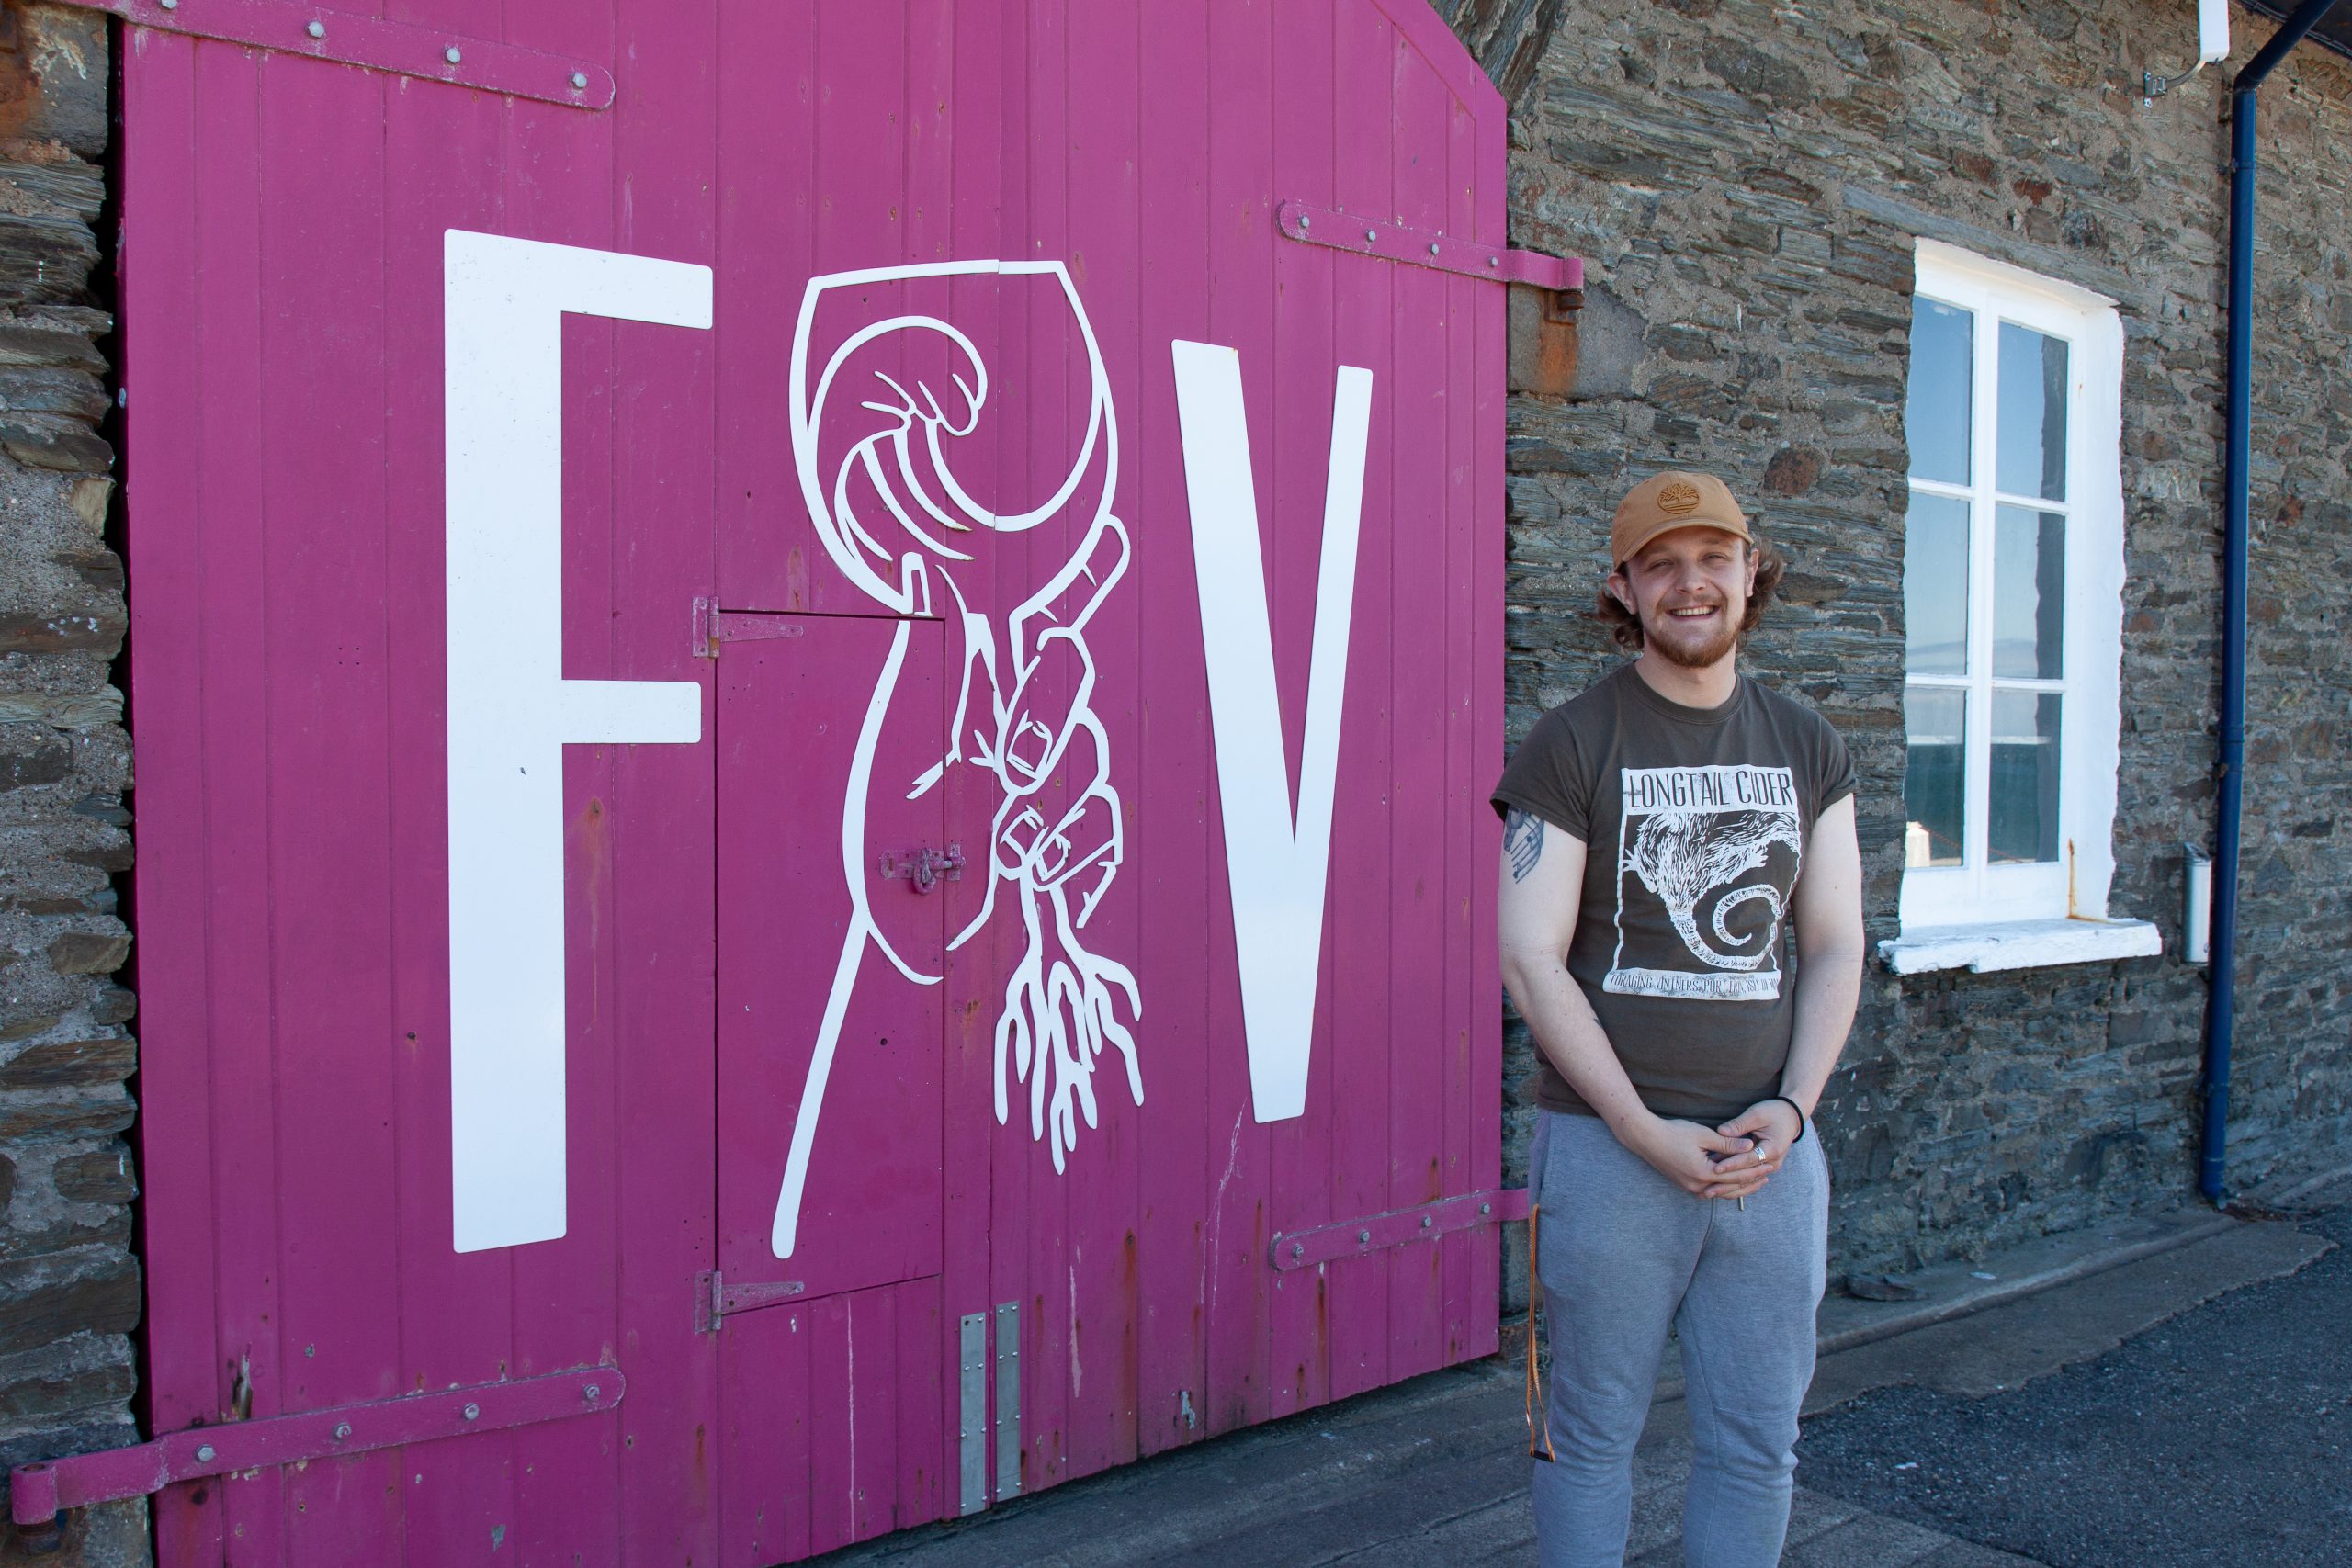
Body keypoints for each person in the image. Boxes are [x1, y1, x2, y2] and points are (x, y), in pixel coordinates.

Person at [1493, 470, 1865, 1566]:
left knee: (1758, 1444)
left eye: (1714, 559)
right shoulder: (1572, 742)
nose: (1689, 584)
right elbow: (1528, 957)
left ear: (1752, 576)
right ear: (1623, 588)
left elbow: (1836, 942)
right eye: (1661, 564)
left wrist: (1792, 1110)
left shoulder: (1807, 745)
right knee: (1589, 1437)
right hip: (1611, 1154)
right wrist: (1638, 1129)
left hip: (1770, 1159)